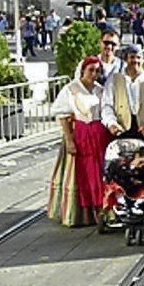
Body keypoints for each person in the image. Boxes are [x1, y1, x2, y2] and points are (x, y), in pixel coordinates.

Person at [48, 56, 110, 227]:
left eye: (97, 71)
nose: (94, 74)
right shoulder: (71, 89)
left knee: (99, 174)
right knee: (81, 174)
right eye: (91, 70)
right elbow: (63, 116)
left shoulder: (100, 90)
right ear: (83, 70)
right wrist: (69, 140)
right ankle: (81, 214)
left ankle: (102, 211)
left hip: (99, 137)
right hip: (80, 135)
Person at [102, 44, 144, 139]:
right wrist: (112, 123)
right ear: (125, 59)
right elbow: (107, 105)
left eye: (139, 57)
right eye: (132, 57)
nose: (136, 61)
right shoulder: (114, 79)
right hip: (121, 129)